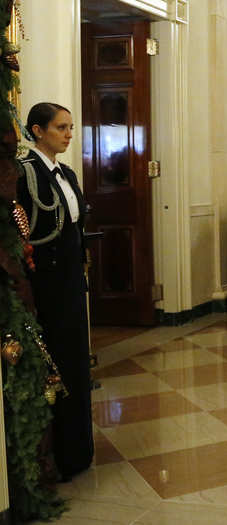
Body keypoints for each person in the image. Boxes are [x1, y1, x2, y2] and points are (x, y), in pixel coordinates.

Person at [16, 102, 93, 481]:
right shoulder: (25, 173)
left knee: (76, 359)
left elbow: (75, 227)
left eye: (71, 127)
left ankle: (79, 450)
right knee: (57, 361)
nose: (68, 134)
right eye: (61, 127)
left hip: (70, 279)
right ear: (37, 130)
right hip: (46, 283)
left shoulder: (67, 173)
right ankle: (59, 454)